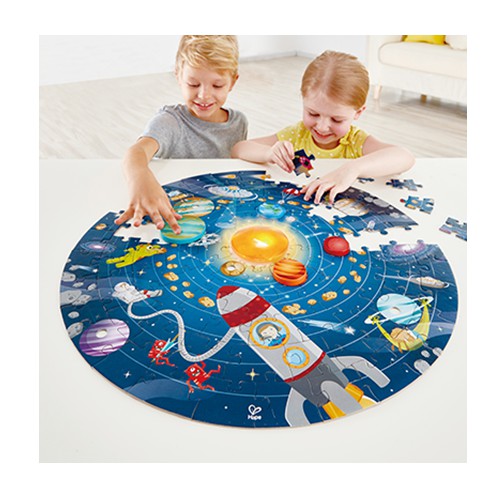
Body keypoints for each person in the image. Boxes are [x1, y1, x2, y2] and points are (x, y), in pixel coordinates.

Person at [231, 51, 414, 205]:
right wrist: (269, 153)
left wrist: (353, 168)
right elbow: (239, 149)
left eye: (336, 119)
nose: (322, 127)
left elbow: (404, 157)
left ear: (358, 113)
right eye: (313, 113)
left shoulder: (356, 141)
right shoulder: (296, 135)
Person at [115, 35, 248, 233]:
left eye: (217, 85)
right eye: (193, 84)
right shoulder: (170, 121)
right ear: (178, 76)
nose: (204, 95)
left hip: (218, 216)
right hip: (177, 216)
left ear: (233, 82)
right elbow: (135, 153)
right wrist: (140, 179)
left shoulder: (239, 123)